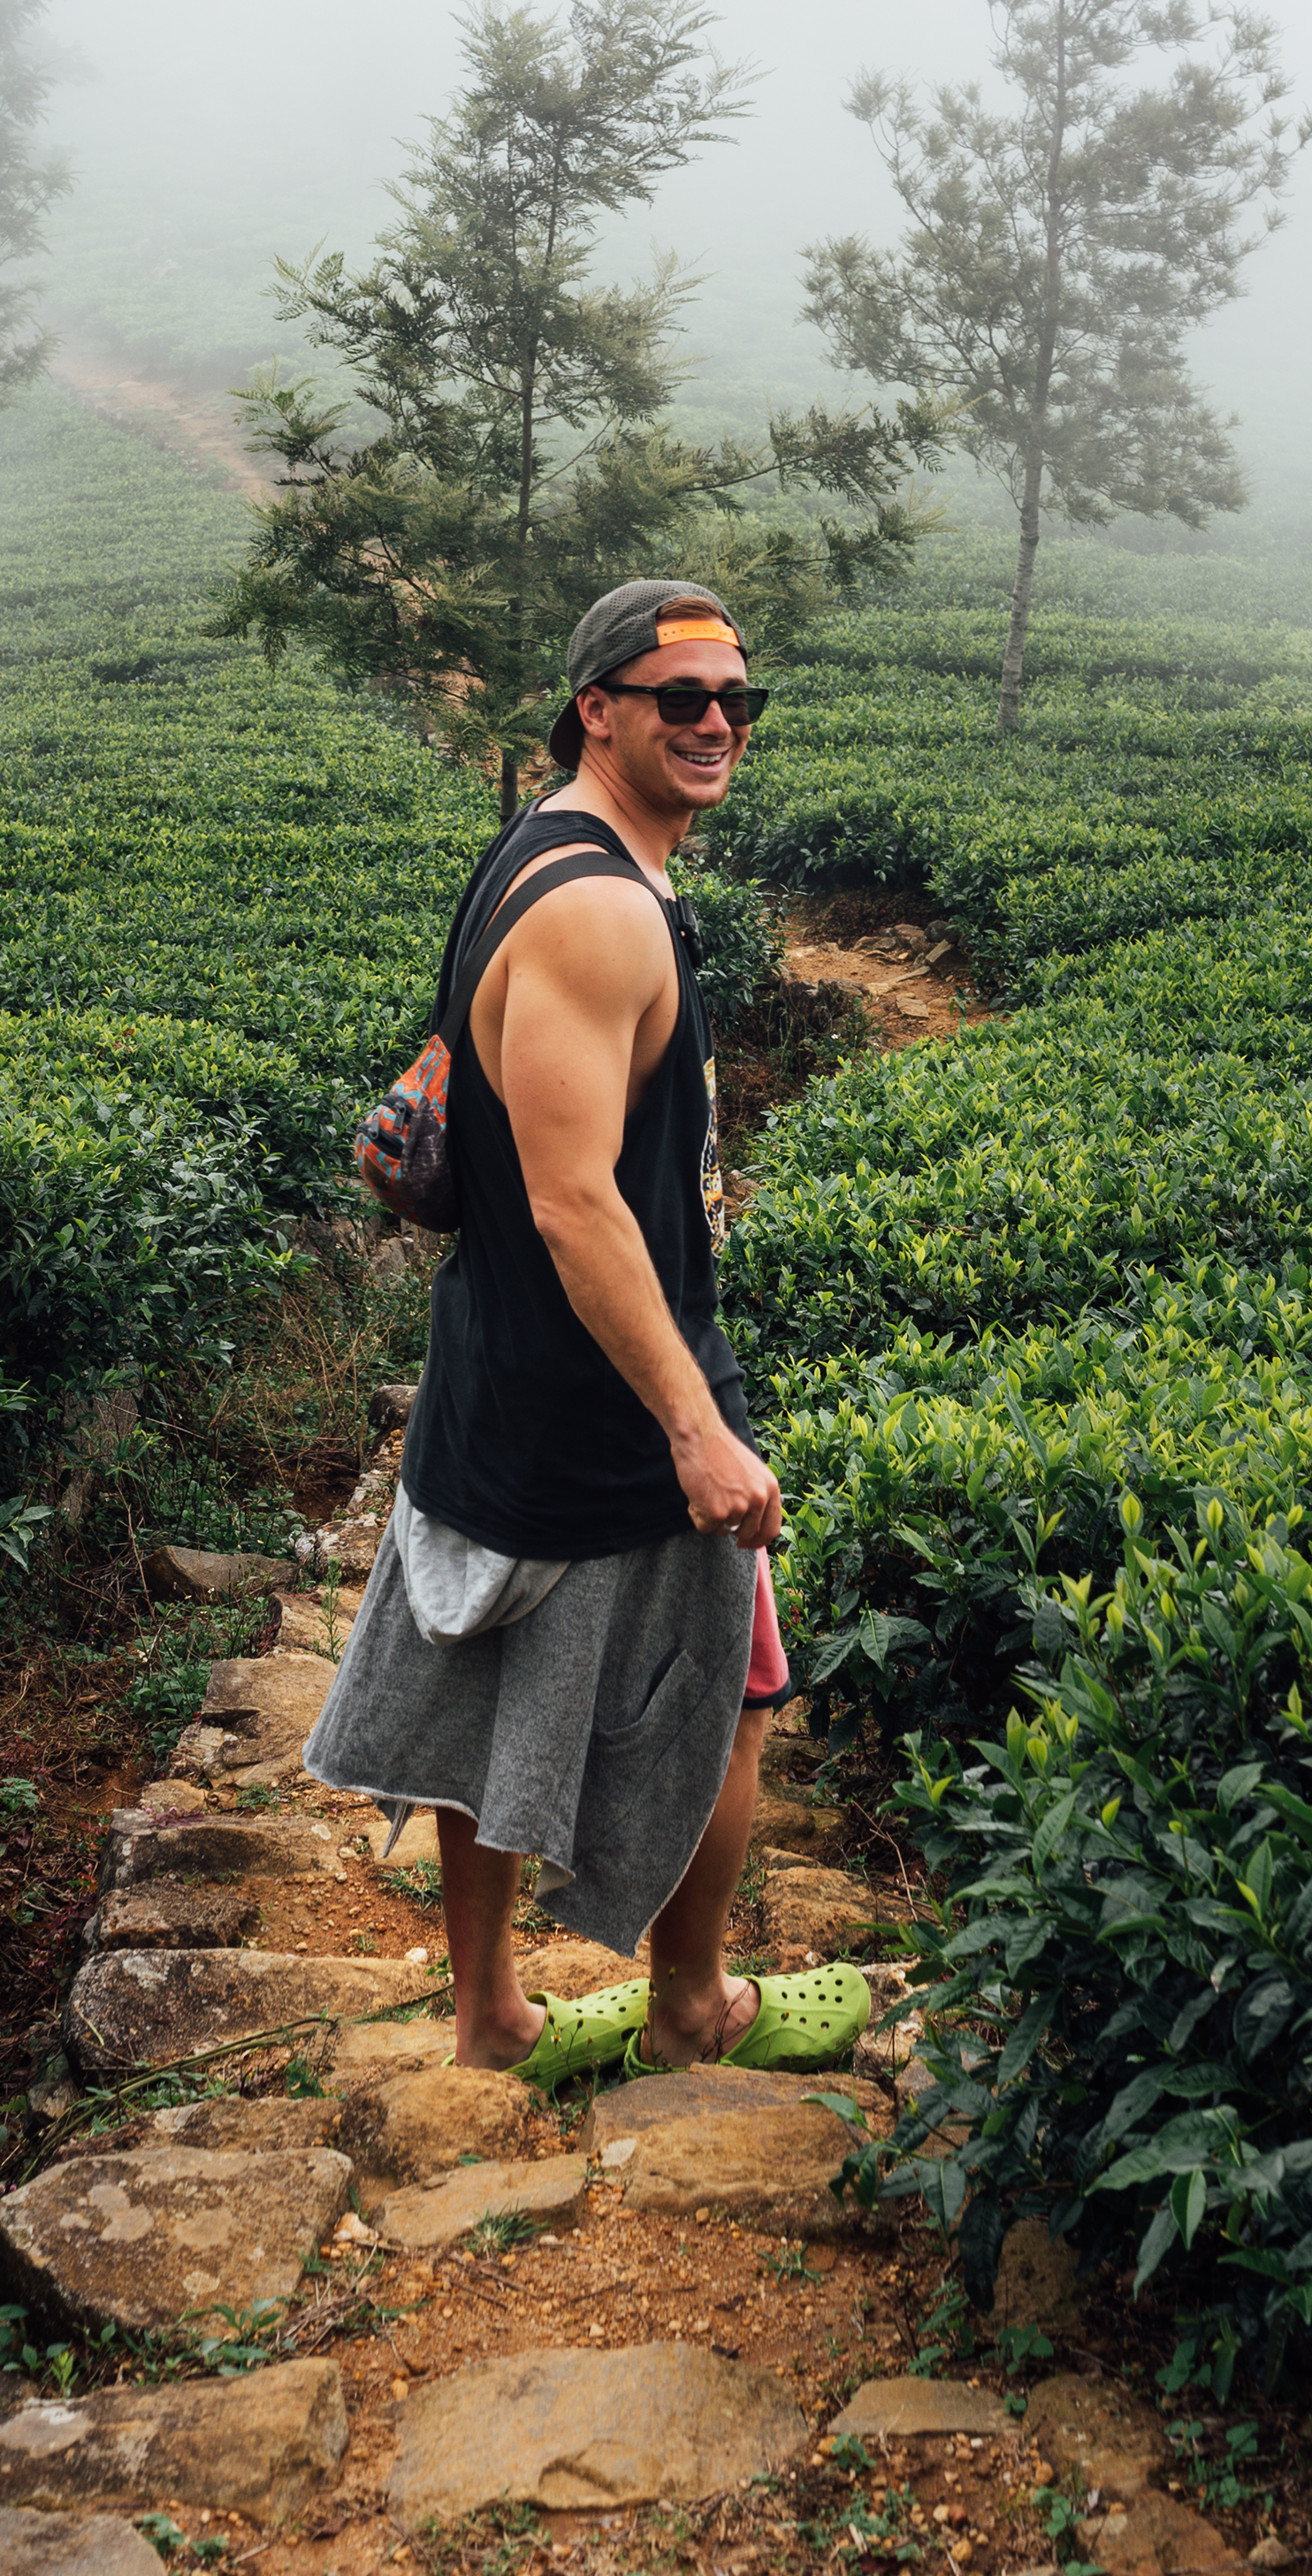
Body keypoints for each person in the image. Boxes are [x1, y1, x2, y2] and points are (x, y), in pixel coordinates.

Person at [303, 581, 869, 2084]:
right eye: (680, 696)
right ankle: (690, 2006)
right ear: (596, 709)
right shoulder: (605, 912)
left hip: (497, 1363)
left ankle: (491, 2015)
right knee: (735, 1695)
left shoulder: (539, 849)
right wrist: (696, 1427)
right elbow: (575, 1203)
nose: (717, 722)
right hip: (604, 1382)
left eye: (737, 698)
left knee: (485, 1675)